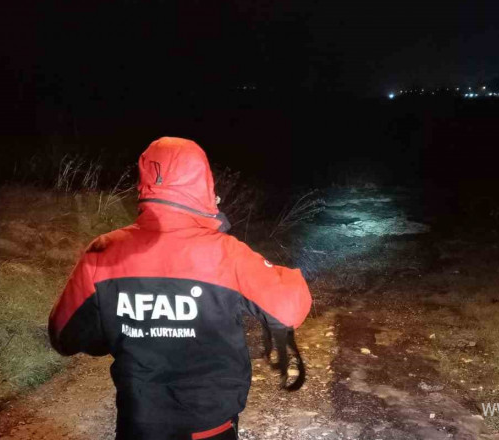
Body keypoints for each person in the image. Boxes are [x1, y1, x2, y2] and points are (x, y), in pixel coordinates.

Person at [48, 137, 312, 440]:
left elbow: (64, 336)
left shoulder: (103, 251)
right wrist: (288, 275)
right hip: (211, 430)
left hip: (137, 427)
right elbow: (289, 310)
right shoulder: (226, 254)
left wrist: (121, 329)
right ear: (204, 185)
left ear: (145, 183)